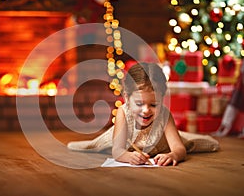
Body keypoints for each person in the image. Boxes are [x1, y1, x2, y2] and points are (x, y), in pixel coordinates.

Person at [67, 62, 219, 166]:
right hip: (126, 143)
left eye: (154, 104)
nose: (146, 110)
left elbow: (179, 148)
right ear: (127, 98)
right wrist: (128, 157)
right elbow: (117, 150)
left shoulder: (164, 115)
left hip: (160, 145)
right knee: (93, 146)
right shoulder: (123, 113)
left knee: (200, 143)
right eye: (139, 104)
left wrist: (172, 155)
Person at [212, 60, 244, 138]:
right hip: (240, 86)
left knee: (234, 102)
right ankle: (225, 125)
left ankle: (225, 126)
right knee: (234, 101)